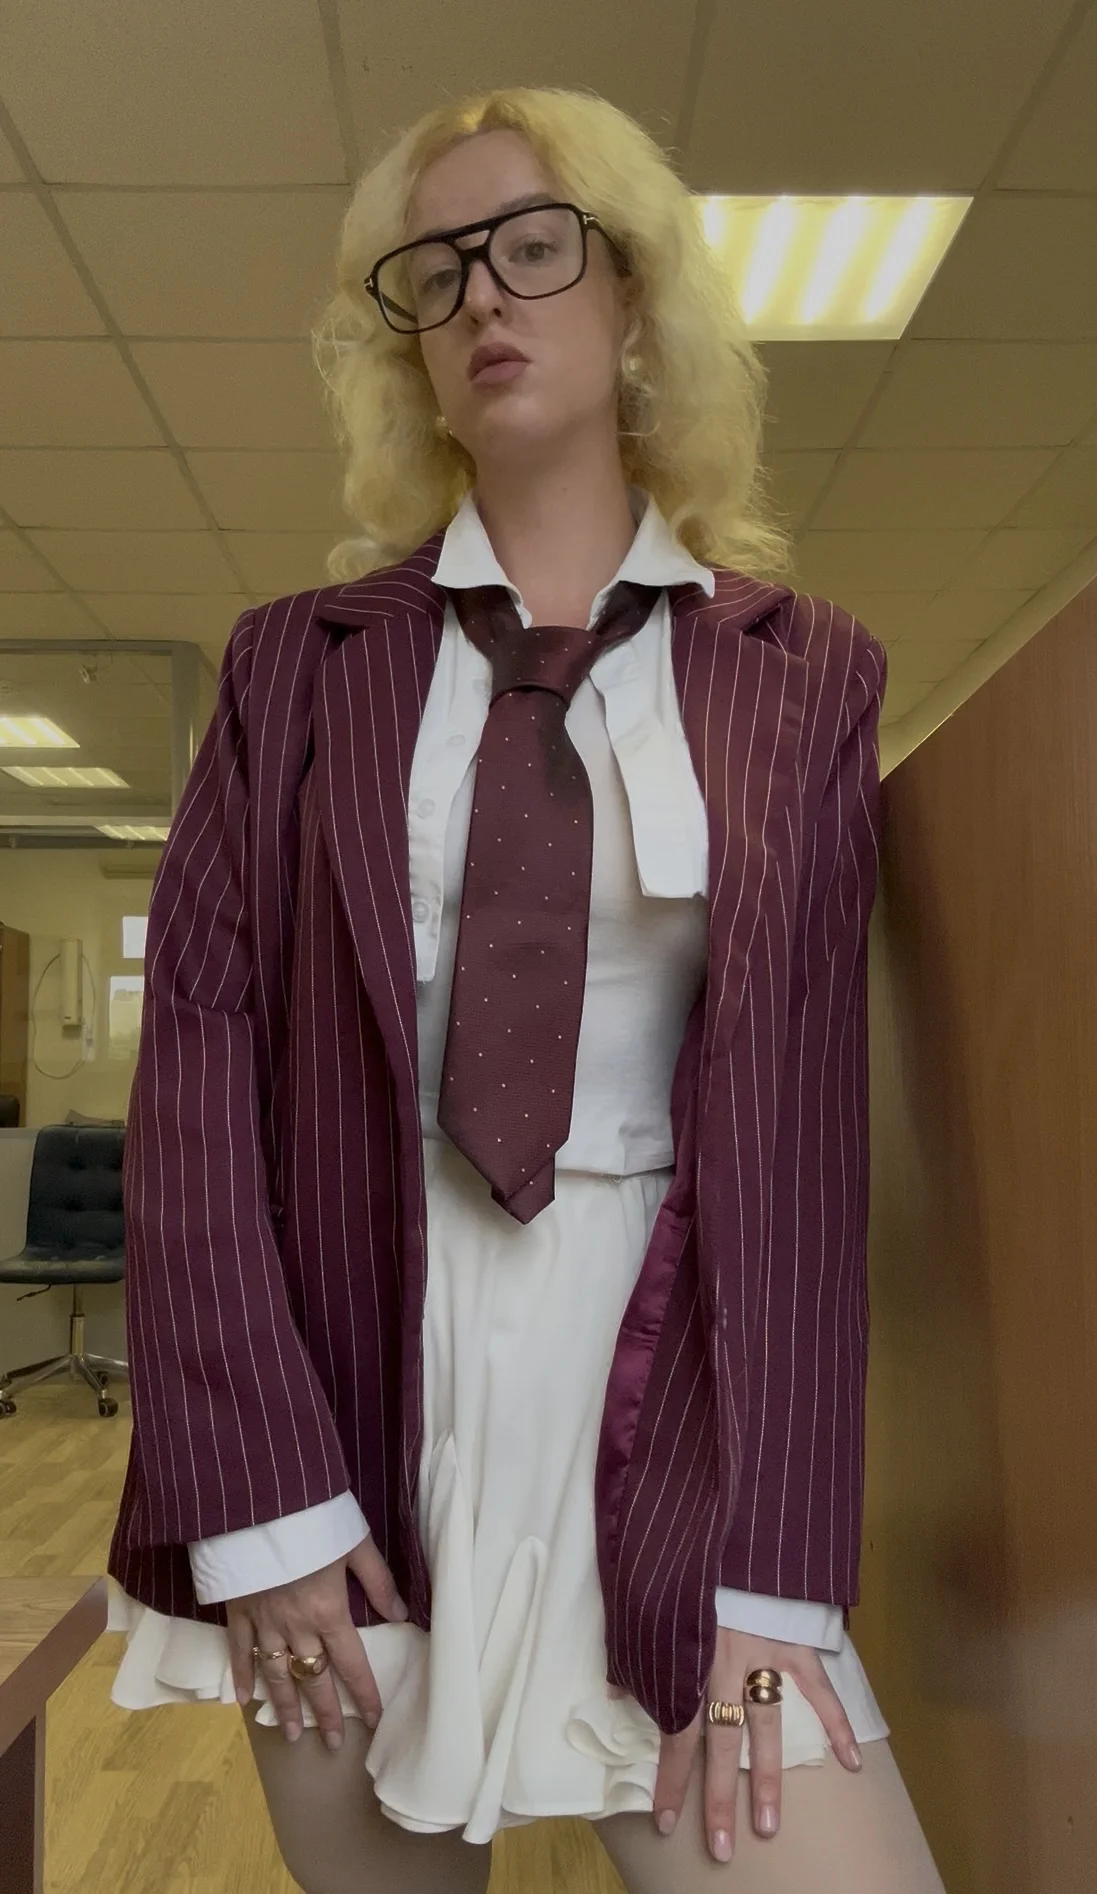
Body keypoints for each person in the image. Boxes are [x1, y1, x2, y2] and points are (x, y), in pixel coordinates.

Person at [105, 85, 944, 1894]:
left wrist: (778, 1571)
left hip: (676, 1395)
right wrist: (260, 1501)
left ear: (633, 295)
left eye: (536, 245)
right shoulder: (291, 668)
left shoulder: (806, 676)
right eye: (437, 268)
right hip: (346, 1399)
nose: (485, 291)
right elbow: (197, 1079)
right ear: (411, 345)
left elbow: (802, 1145)